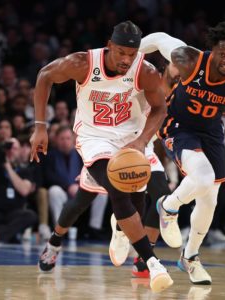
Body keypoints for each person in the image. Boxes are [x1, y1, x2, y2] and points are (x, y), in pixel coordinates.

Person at [30, 21, 173, 292]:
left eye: (132, 54)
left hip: (131, 139)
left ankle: (121, 231)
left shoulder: (146, 71)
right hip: (94, 139)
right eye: (121, 52)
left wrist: (142, 140)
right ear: (109, 46)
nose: (126, 59)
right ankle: (151, 262)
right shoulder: (83, 63)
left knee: (136, 195)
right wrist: (40, 127)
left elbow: (160, 109)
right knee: (107, 193)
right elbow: (44, 75)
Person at [139, 21, 225, 284]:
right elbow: (158, 37)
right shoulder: (188, 58)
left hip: (211, 131)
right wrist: (129, 57)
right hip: (177, 125)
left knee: (210, 199)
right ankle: (167, 206)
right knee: (202, 177)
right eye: (222, 54)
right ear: (211, 50)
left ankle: (189, 257)